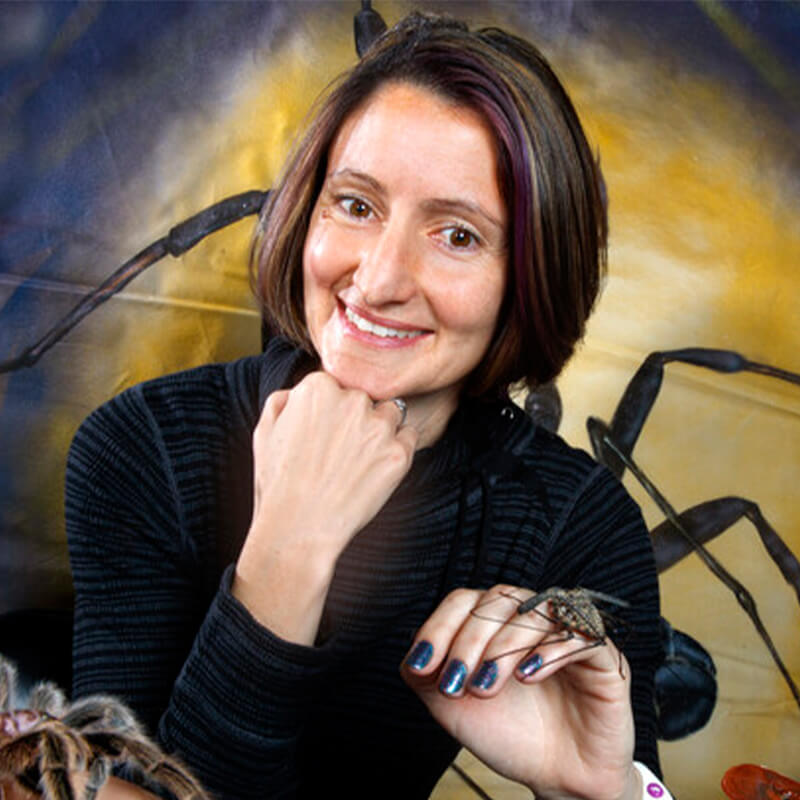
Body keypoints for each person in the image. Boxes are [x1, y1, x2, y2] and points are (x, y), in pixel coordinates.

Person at [66, 12, 669, 800]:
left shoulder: (578, 525)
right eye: (356, 205)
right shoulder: (142, 446)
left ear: (529, 274)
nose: (380, 278)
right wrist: (289, 545)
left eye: (457, 235)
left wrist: (603, 791)